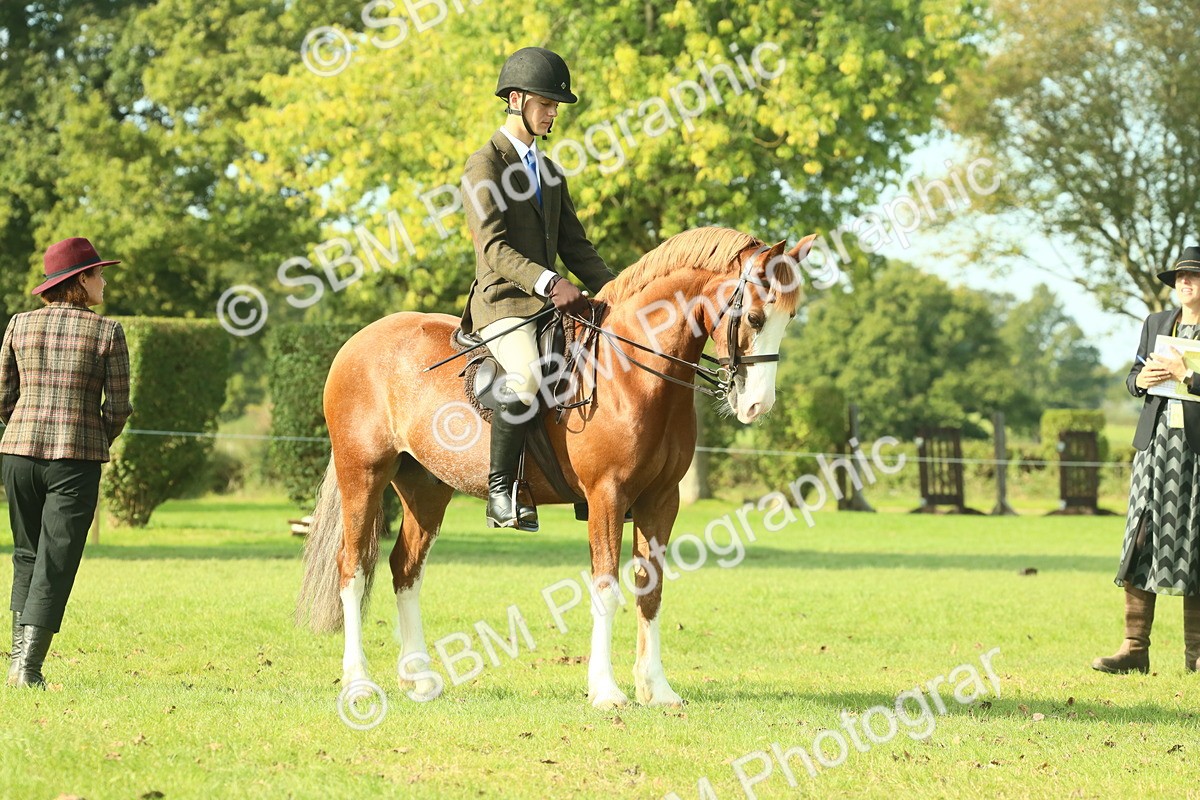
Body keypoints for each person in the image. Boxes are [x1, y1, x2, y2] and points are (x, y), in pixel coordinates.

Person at [459, 47, 616, 532]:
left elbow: (578, 246)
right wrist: (550, 281)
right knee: (527, 376)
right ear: (516, 99)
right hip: (503, 303)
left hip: (546, 307)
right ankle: (502, 491)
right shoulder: (483, 165)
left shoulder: (549, 172)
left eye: (555, 106)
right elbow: (494, 249)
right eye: (546, 104)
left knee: (603, 366)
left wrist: (619, 291)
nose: (552, 114)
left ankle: (589, 481)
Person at [1, 237, 132, 689]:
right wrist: (95, 435)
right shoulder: (108, 332)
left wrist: (23, 426)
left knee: (27, 554)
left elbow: (4, 396)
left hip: (17, 453)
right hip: (75, 458)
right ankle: (27, 668)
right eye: (99, 273)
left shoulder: (19, 325)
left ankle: (18, 663)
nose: (105, 280)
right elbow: (117, 409)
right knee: (55, 561)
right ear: (81, 279)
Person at [1094, 245, 1200, 675]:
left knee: (1196, 543)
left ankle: (1196, 656)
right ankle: (1134, 649)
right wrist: (1142, 379)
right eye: (1180, 278)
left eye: (1193, 277)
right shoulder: (1157, 323)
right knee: (1141, 540)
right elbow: (1132, 376)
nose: (1185, 284)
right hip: (1155, 447)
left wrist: (1185, 375)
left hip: (1196, 452)